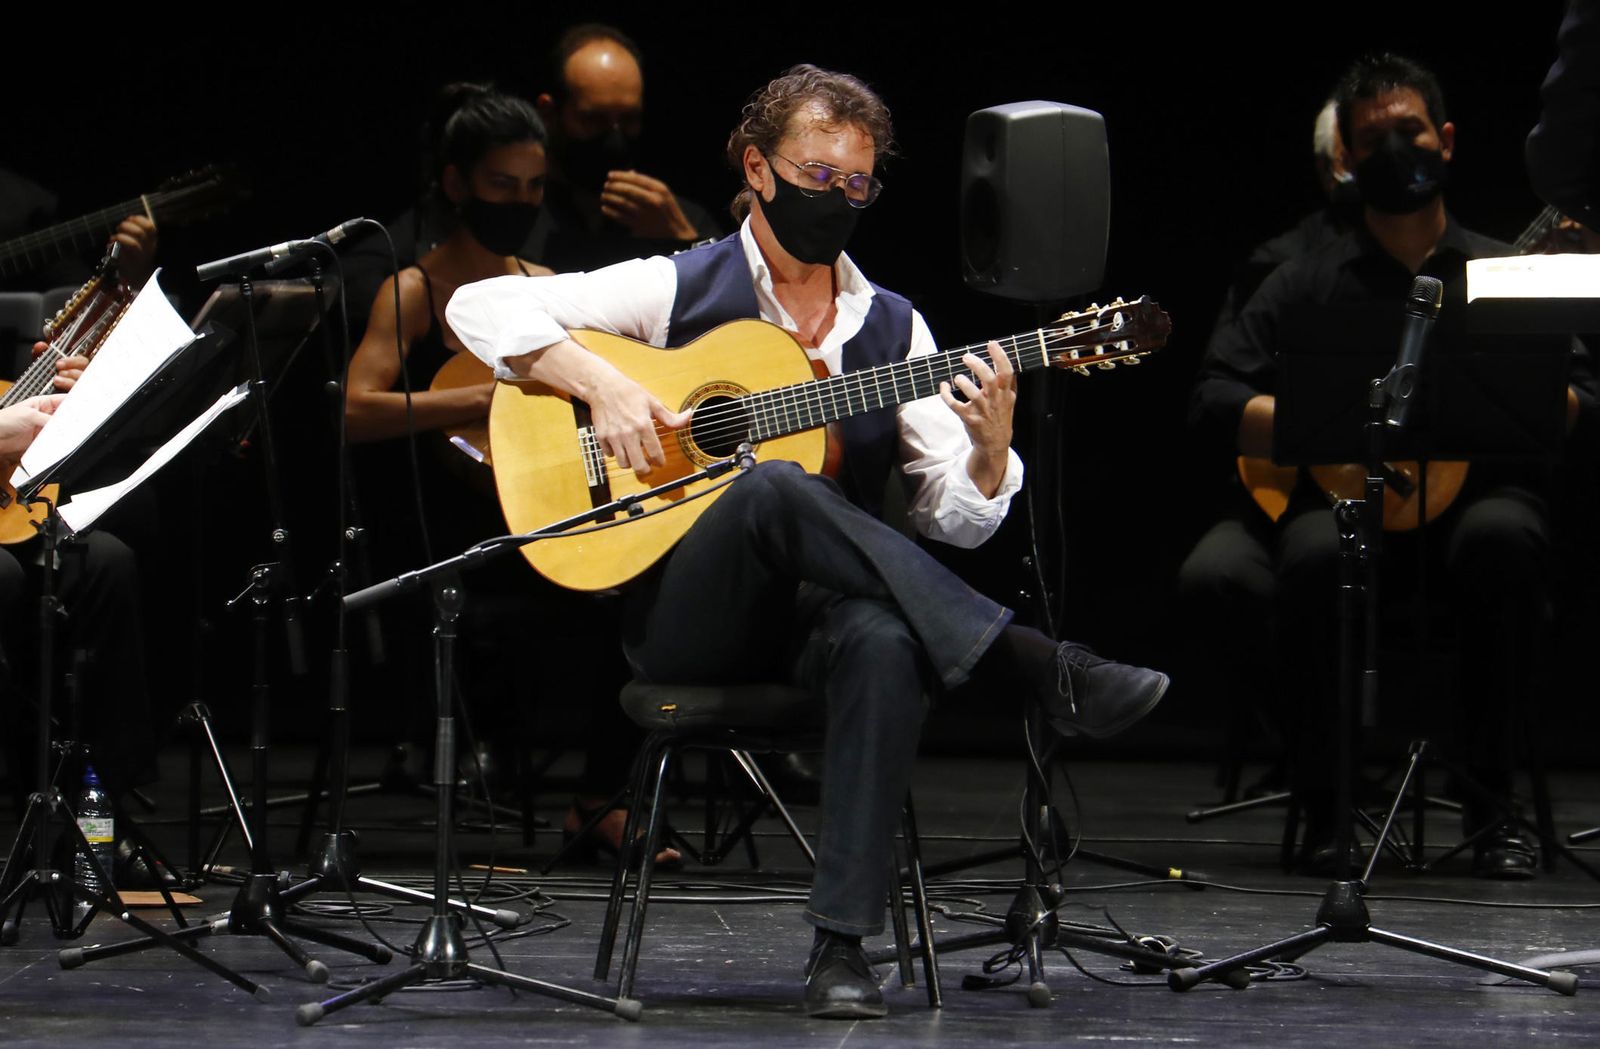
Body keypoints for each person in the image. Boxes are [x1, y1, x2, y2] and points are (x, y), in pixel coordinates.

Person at [447, 64, 1167, 1019]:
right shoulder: (674, 284)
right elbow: (479, 307)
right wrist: (604, 384)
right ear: (758, 168)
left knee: (886, 640)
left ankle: (841, 950)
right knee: (773, 483)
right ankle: (1034, 663)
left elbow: (953, 520)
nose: (838, 198)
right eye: (818, 176)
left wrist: (991, 453)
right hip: (689, 617)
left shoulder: (896, 329)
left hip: (820, 623)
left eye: (857, 184)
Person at [1188, 52, 1594, 879]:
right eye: (1372, 141)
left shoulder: (1501, 272)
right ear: (1346, 157)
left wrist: (1536, 393)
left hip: (1473, 499)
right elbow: (1214, 396)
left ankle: (1491, 808)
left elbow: (1584, 394)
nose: (1396, 151)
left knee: (1505, 537)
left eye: (1410, 131)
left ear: (1446, 139)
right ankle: (1331, 806)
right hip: (1348, 501)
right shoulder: (1303, 279)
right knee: (1310, 552)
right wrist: (1324, 423)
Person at [343, 83, 665, 864]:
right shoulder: (414, 289)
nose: (519, 202)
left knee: (648, 580)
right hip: (451, 531)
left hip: (546, 502)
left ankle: (602, 801)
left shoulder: (544, 282)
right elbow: (354, 408)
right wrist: (476, 397)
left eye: (532, 187)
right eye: (501, 185)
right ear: (457, 184)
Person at [529, 23, 722, 272]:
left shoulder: (672, 218)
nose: (614, 139)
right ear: (548, 113)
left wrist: (683, 240)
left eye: (629, 119)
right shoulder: (519, 215)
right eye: (594, 120)